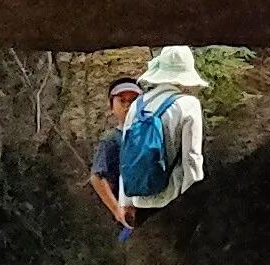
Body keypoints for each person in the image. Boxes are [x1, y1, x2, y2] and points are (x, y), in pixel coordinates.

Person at [108, 46, 210, 228]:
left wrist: (126, 202)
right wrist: (195, 200)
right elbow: (192, 159)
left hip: (139, 200)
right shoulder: (188, 104)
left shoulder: (137, 105)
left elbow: (126, 156)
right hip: (171, 198)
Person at [86, 74, 144, 233]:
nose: (127, 106)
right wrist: (117, 210)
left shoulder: (149, 135)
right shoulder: (111, 140)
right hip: (127, 215)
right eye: (122, 101)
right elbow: (97, 177)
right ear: (112, 107)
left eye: (132, 101)